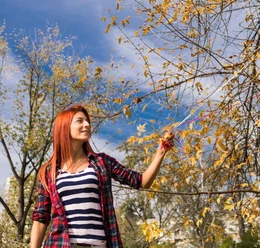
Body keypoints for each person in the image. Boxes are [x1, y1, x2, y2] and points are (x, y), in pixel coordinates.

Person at [30, 105, 175, 248]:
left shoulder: (102, 162)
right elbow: (41, 217)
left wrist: (161, 152)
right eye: (80, 121)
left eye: (87, 121)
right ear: (65, 127)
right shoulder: (49, 172)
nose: (86, 124)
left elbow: (142, 181)